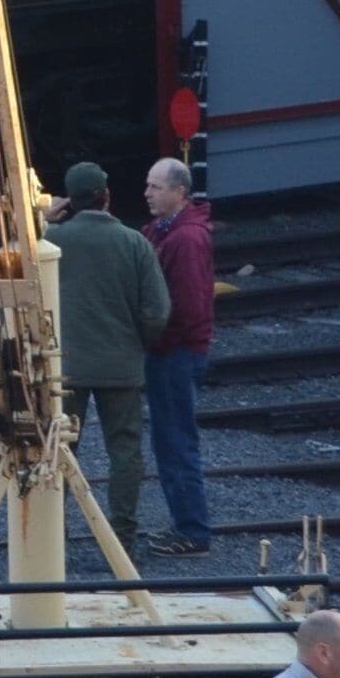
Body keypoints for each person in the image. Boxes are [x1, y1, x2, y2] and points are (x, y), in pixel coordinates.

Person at [47, 160, 169, 550]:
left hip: (66, 368)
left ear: (71, 201)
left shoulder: (52, 240)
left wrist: (42, 219)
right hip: (122, 365)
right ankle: (122, 539)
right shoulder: (135, 243)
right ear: (107, 196)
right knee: (125, 451)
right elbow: (157, 311)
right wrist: (137, 343)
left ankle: (54, 542)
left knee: (60, 451)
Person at [140, 155, 217, 557]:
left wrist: (156, 339)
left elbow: (185, 308)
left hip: (175, 354)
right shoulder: (167, 231)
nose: (148, 193)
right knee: (172, 440)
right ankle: (187, 526)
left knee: (175, 442)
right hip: (175, 351)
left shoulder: (183, 240)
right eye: (149, 185)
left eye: (156, 187)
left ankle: (192, 530)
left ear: (179, 192)